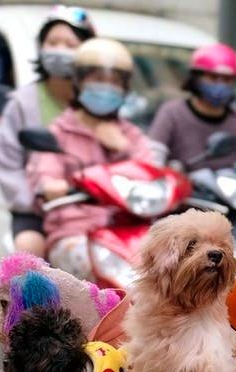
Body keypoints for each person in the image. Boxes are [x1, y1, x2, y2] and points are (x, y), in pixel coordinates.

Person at [27, 37, 152, 281]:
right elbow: (45, 180)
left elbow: (152, 178)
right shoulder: (59, 132)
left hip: (130, 233)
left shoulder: (132, 136)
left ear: (124, 88)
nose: (106, 87)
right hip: (75, 233)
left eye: (114, 81)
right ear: (79, 81)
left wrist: (122, 147)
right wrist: (65, 185)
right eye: (98, 79)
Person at [0, 6, 95, 257]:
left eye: (71, 44)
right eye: (53, 42)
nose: (60, 51)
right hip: (37, 211)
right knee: (29, 254)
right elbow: (7, 165)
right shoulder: (22, 102)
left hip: (94, 209)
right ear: (41, 47)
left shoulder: (100, 102)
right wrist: (39, 198)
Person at [146, 43, 236, 176]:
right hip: (186, 194)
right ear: (196, 79)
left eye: (227, 79)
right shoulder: (172, 113)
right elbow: (154, 156)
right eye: (213, 78)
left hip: (227, 195)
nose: (220, 85)